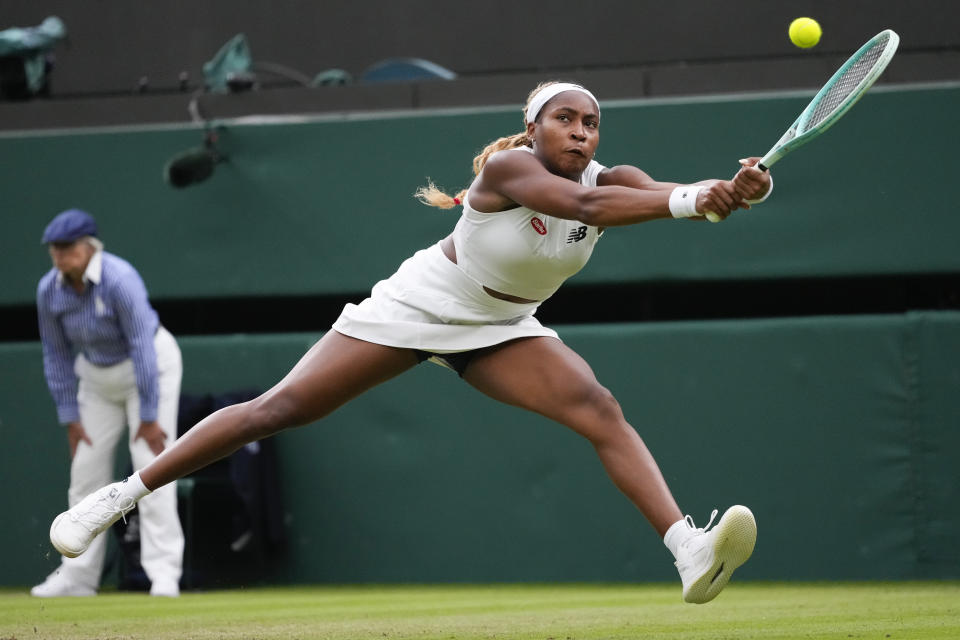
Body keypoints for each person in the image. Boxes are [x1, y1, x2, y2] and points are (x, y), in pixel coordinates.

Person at [46, 82, 771, 604]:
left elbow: (656, 192)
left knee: (597, 405)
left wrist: (730, 190)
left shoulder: (612, 178)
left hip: (504, 324)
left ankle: (688, 550)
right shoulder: (508, 169)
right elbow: (589, 207)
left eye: (590, 122)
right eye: (564, 119)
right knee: (280, 408)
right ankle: (118, 497)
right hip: (422, 300)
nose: (581, 132)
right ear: (533, 127)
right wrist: (690, 202)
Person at [33, 209, 184, 598]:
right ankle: (77, 578)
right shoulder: (49, 290)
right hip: (97, 382)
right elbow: (56, 355)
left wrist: (149, 416)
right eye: (54, 249)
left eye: (66, 248)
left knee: (153, 468)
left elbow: (141, 348)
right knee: (85, 473)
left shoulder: (119, 279)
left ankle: (163, 573)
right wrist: (70, 415)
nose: (59, 256)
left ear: (88, 247)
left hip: (150, 371)